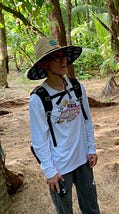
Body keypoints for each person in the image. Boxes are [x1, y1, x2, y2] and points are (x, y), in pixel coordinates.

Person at [27, 37, 100, 214]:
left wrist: (91, 148)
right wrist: (49, 171)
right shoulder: (39, 98)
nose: (63, 60)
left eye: (63, 56)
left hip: (83, 160)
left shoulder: (76, 87)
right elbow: (39, 140)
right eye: (56, 57)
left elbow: (86, 120)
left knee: (91, 207)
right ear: (44, 64)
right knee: (64, 210)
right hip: (59, 167)